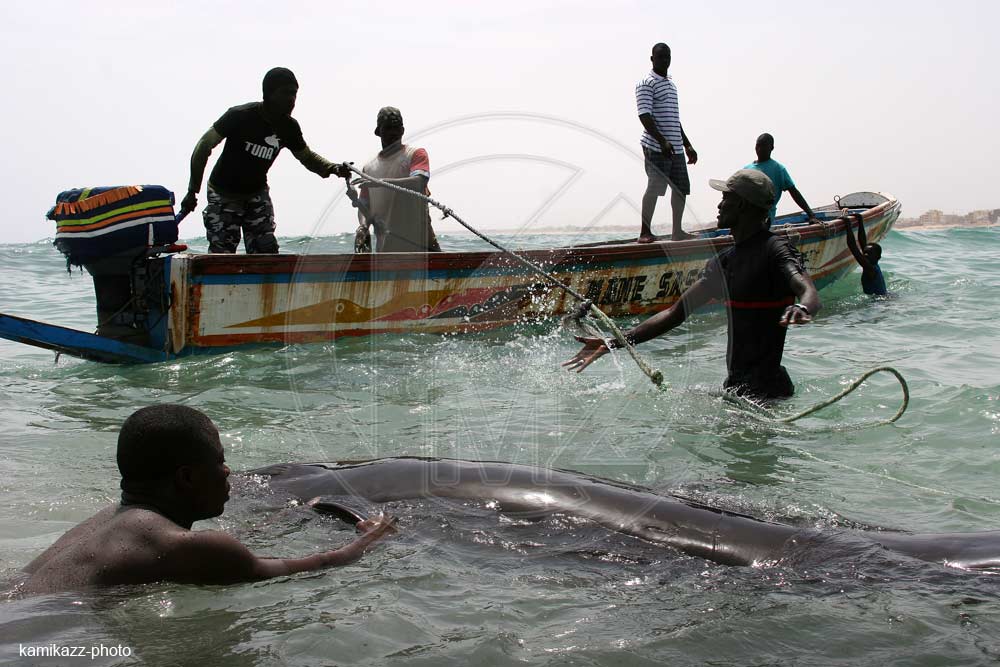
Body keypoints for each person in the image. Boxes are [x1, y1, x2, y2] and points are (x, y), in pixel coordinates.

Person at [18, 405, 396, 595]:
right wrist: (371, 538)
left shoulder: (106, 520)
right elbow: (318, 564)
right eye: (219, 461)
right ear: (186, 478)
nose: (228, 471)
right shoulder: (186, 547)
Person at [565, 169, 822, 400]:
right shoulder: (725, 262)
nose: (719, 205)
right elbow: (675, 313)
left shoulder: (775, 250)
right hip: (737, 390)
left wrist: (803, 307)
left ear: (742, 205)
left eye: (726, 198)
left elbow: (807, 290)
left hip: (769, 393)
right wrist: (613, 342)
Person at [179, 67, 351, 254]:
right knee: (221, 254)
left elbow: (307, 157)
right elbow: (203, 146)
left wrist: (333, 168)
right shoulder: (240, 115)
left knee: (266, 252)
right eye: (285, 93)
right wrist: (192, 190)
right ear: (268, 94)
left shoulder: (289, 128)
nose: (291, 100)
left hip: (256, 194)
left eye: (294, 94)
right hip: (223, 193)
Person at [354, 107, 441, 253]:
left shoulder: (416, 154)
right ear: (378, 132)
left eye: (396, 128)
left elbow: (419, 182)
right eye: (388, 128)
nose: (393, 133)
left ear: (402, 131)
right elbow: (365, 205)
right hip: (385, 248)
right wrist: (363, 226)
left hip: (420, 245)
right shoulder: (368, 168)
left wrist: (380, 182)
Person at [636, 43, 698, 243]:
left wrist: (687, 145)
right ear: (652, 59)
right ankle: (645, 232)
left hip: (675, 147)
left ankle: (677, 231)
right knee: (655, 187)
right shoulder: (646, 83)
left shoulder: (671, 84)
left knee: (681, 188)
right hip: (656, 147)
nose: (665, 60)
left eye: (667, 57)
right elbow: (644, 116)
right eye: (660, 57)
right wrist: (662, 141)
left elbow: (674, 119)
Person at [744, 133, 815, 227]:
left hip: (764, 217)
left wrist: (811, 215)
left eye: (764, 146)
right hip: (745, 215)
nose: (760, 149)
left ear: (771, 148)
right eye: (758, 145)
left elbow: (794, 192)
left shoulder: (778, 169)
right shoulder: (746, 169)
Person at [845, 213, 888, 295]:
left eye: (869, 254)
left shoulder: (870, 268)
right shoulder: (872, 264)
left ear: (878, 257)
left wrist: (848, 225)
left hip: (878, 301)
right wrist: (860, 221)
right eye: (865, 253)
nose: (865, 255)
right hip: (881, 297)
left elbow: (853, 248)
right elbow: (863, 242)